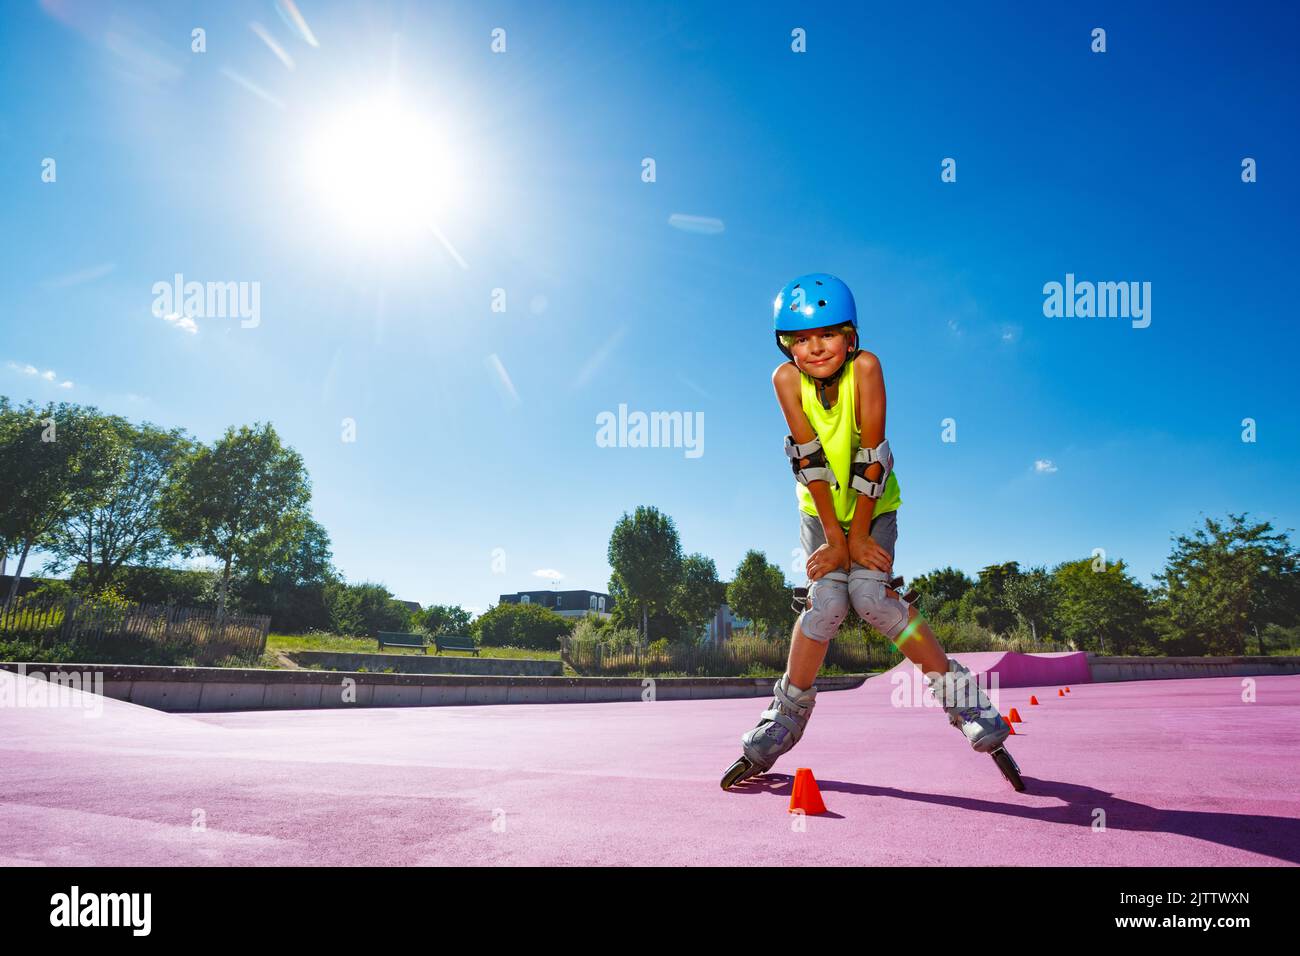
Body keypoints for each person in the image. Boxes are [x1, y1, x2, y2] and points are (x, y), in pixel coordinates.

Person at [725, 272, 1010, 787]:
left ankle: (964, 700)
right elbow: (809, 462)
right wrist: (834, 540)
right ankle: (785, 716)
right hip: (820, 513)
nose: (815, 349)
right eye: (801, 340)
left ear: (850, 336)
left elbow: (871, 460)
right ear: (785, 345)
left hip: (873, 506)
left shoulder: (867, 369)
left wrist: (857, 538)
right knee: (827, 603)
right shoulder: (785, 380)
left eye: (827, 335)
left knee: (872, 600)